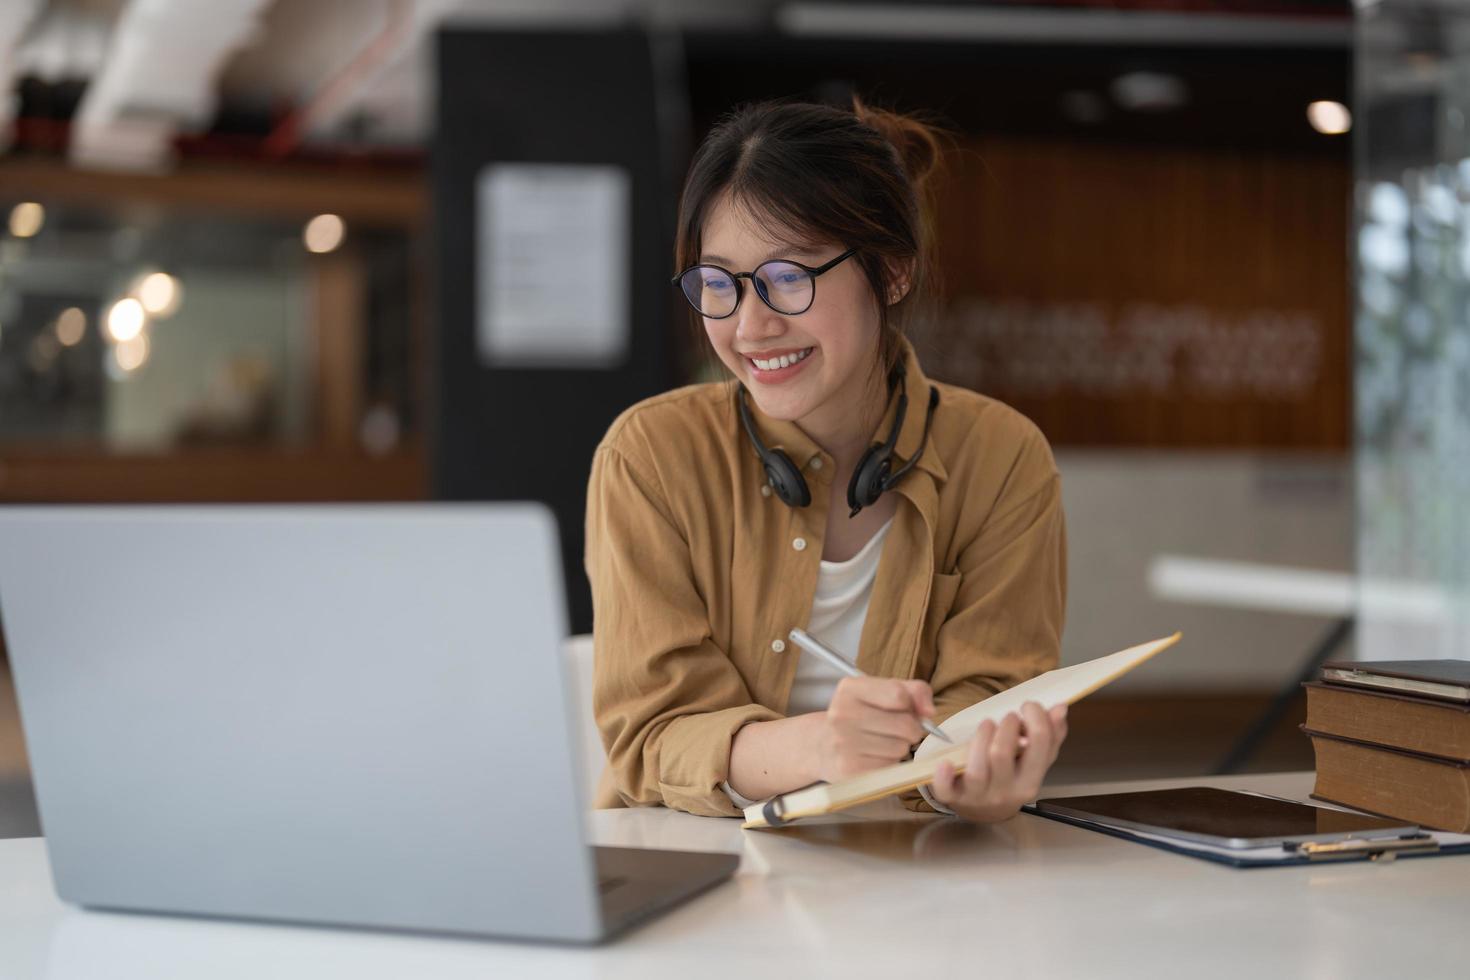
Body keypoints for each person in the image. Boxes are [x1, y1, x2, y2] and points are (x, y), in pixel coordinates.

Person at [584, 95, 1067, 821]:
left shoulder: (1001, 458)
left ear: (893, 270)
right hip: (693, 868)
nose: (750, 326)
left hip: (913, 873)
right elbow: (654, 733)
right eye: (719, 283)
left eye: (788, 277)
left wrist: (980, 771)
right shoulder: (651, 456)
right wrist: (818, 751)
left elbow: (990, 700)